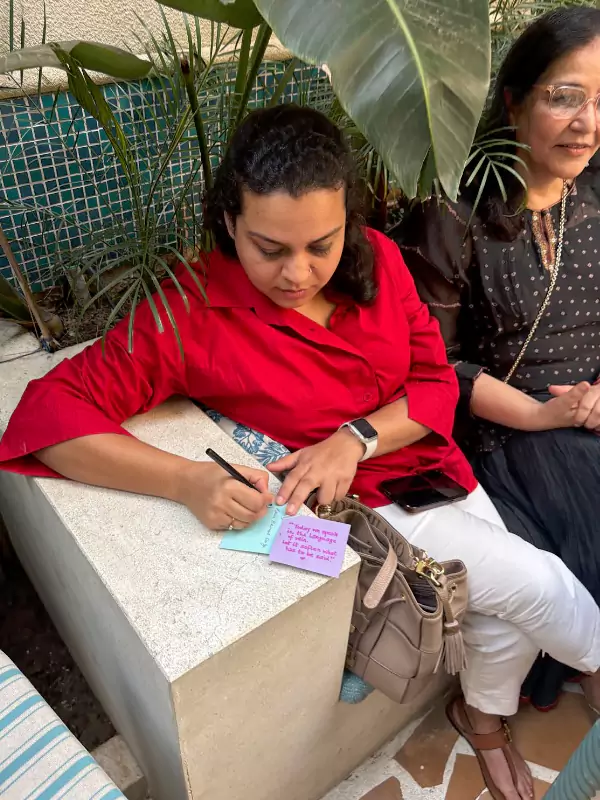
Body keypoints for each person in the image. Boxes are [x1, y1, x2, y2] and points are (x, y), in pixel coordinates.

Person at [0, 105, 598, 800]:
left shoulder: (377, 259)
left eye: (322, 243)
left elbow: (435, 382)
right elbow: (47, 417)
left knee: (504, 615)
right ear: (229, 221)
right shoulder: (190, 312)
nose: (299, 272)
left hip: (428, 466)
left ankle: (482, 717)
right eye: (271, 249)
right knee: (542, 586)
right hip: (364, 513)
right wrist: (185, 482)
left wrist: (358, 435)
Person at [400, 6, 600, 718]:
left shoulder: (597, 194)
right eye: (565, 95)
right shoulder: (453, 218)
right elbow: (436, 369)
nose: (587, 122)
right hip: (508, 426)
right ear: (513, 100)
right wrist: (544, 413)